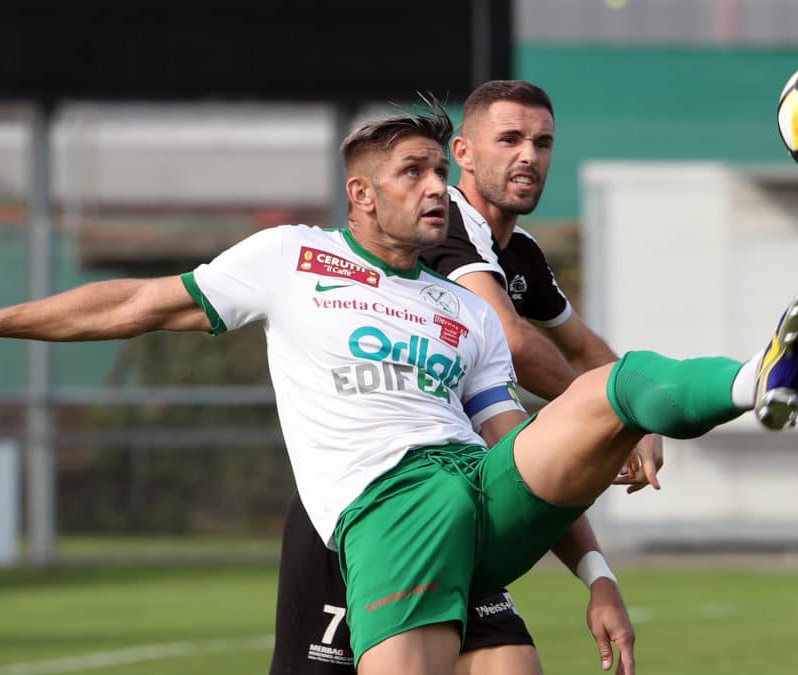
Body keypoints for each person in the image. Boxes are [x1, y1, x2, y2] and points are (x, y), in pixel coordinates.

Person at [0, 101, 798, 675]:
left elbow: (506, 442)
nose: (439, 186)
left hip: (481, 493)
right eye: (416, 172)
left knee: (613, 386)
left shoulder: (462, 308)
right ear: (361, 194)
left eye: (443, 171)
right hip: (392, 504)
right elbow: (132, 300)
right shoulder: (294, 257)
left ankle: (757, 381)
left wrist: (596, 572)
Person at [271, 80, 663, 675]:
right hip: (363, 505)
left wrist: (630, 413)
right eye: (509, 139)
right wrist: (612, 415)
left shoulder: (521, 252)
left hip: (458, 505)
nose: (529, 155)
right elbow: (512, 338)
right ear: (465, 154)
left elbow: (585, 350)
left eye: (542, 141)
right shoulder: (447, 221)